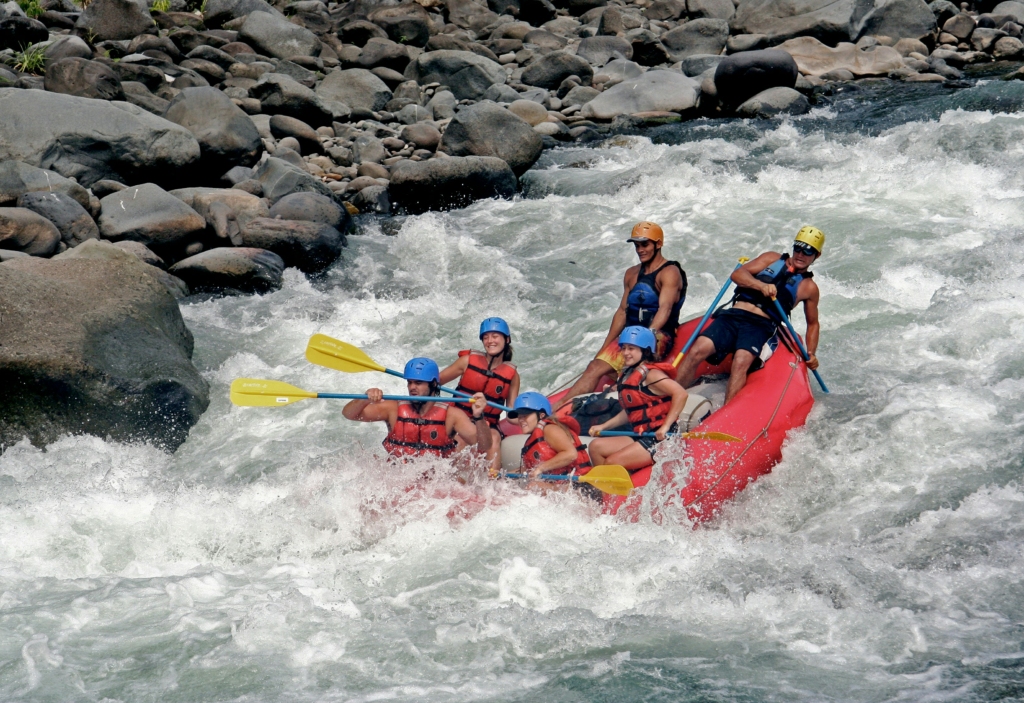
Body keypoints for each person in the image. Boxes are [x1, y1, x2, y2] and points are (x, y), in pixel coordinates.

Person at [675, 226, 824, 403]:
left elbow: (813, 324)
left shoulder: (809, 287)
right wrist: (760, 286)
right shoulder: (772, 258)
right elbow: (738, 274)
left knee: (741, 360)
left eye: (808, 251)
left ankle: (725, 417)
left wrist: (811, 352)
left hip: (760, 325)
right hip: (734, 315)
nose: (801, 254)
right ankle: (670, 400)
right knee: (698, 349)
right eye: (798, 248)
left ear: (817, 255)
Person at [558, 221, 686, 409]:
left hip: (658, 335)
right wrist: (604, 347)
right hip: (629, 334)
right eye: (637, 245)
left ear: (658, 244)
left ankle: (622, 387)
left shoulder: (670, 272)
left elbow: (664, 309)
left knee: (631, 371)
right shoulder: (631, 274)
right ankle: (560, 408)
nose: (640, 249)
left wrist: (646, 336)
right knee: (594, 367)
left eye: (645, 244)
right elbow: (622, 311)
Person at [342, 357, 491, 460]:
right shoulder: (392, 408)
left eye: (419, 383)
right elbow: (349, 414)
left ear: (433, 385)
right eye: (410, 383)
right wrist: (363, 399)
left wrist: (479, 416)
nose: (412, 387)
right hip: (398, 477)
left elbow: (483, 445)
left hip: (434, 483)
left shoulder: (452, 415)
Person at [586, 327, 689, 471]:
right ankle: (606, 492)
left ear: (645, 351)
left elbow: (681, 393)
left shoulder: (651, 374)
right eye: (624, 348)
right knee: (595, 447)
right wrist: (604, 426)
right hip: (640, 433)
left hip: (660, 438)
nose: (626, 353)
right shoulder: (628, 374)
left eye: (631, 348)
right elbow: (632, 411)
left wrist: (666, 426)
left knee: (611, 462)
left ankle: (619, 491)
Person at [440, 317, 520, 472]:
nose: (490, 341)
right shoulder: (467, 361)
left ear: (507, 339)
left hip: (487, 423)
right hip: (458, 419)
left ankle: (491, 483)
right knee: (462, 438)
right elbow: (435, 382)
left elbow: (511, 412)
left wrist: (529, 418)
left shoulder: (512, 375)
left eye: (495, 336)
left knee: (494, 438)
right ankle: (448, 479)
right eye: (485, 337)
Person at [508, 392, 593, 481]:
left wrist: (541, 468)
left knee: (532, 486)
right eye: (519, 416)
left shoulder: (550, 429)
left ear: (541, 415)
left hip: (580, 482)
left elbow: (571, 454)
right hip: (562, 485)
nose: (521, 420)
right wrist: (502, 475)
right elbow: (528, 470)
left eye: (525, 416)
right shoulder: (534, 438)